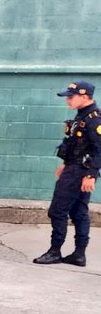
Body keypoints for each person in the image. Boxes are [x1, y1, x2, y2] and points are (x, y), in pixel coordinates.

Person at [32, 81, 100, 267]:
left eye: (71, 96)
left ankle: (55, 251)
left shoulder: (94, 119)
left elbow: (99, 149)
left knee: (57, 211)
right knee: (79, 212)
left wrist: (91, 175)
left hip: (79, 172)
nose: (67, 100)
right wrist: (65, 163)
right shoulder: (82, 116)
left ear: (84, 96)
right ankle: (79, 255)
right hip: (74, 168)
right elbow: (76, 145)